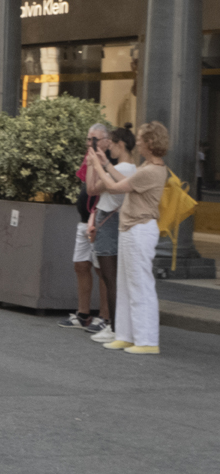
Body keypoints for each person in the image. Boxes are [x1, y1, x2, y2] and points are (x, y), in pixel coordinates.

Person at [89, 121, 170, 355]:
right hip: (130, 229)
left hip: (139, 229)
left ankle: (146, 340)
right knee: (125, 285)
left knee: (139, 286)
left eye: (143, 139)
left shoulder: (152, 170)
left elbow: (115, 189)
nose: (140, 143)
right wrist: (105, 164)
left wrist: (99, 167)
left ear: (151, 142)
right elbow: (122, 183)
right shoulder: (148, 167)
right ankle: (126, 335)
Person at [86, 125, 138, 344]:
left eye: (113, 145)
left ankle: (115, 328)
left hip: (108, 222)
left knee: (110, 278)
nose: (110, 149)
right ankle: (119, 326)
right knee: (115, 278)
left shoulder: (122, 169)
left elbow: (92, 189)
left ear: (121, 144)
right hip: (116, 221)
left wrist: (94, 164)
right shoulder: (131, 169)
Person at [60, 123, 111, 331]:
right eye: (89, 139)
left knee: (102, 270)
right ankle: (83, 314)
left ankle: (105, 317)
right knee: (80, 265)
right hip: (84, 220)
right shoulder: (88, 159)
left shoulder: (109, 162)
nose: (91, 143)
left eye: (95, 139)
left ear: (107, 141)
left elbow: (95, 188)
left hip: (99, 222)